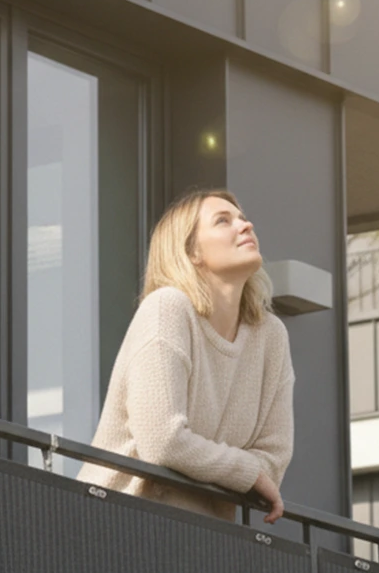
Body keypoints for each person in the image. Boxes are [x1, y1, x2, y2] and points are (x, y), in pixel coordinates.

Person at [77, 189, 294, 523]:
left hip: (201, 542)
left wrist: (240, 470)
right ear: (191, 251)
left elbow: (274, 460)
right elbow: (161, 440)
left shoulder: (271, 337)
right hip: (110, 521)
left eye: (243, 217)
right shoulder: (167, 307)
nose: (246, 225)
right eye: (223, 221)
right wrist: (245, 472)